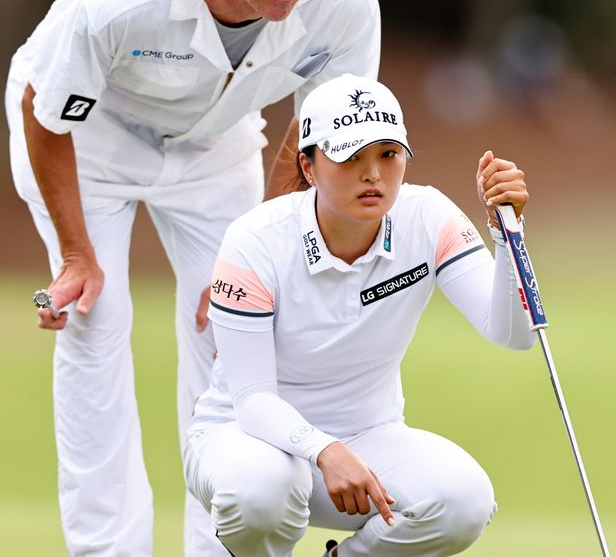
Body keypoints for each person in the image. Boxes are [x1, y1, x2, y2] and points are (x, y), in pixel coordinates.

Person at [3, 0, 381, 557]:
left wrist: (261, 256)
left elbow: (316, 137)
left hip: (214, 144)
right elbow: (46, 113)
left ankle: (221, 547)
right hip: (90, 141)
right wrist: (79, 257)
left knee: (234, 329)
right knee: (97, 317)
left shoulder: (345, 3)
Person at [183, 75, 537, 557]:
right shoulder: (256, 238)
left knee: (463, 501)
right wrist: (325, 450)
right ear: (308, 166)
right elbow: (252, 400)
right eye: (351, 157)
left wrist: (506, 235)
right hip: (245, 441)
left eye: (388, 155)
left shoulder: (429, 216)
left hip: (370, 439)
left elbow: (513, 334)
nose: (373, 174)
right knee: (261, 492)